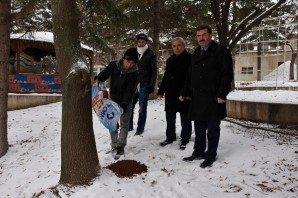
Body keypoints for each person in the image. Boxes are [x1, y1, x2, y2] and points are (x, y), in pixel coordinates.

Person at [179, 25, 233, 168]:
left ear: (210, 35)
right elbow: (190, 75)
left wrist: (222, 93)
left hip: (214, 97)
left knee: (213, 128)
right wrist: (184, 91)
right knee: (199, 127)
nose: (201, 38)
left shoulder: (221, 51)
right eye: (198, 36)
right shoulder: (196, 52)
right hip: (197, 98)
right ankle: (198, 152)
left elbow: (227, 74)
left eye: (204, 35)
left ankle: (210, 155)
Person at [94, 48, 139, 159]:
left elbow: (130, 90)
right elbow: (105, 73)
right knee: (112, 123)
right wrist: (99, 77)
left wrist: (125, 103)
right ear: (124, 59)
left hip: (126, 102)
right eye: (128, 61)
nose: (130, 65)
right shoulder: (114, 65)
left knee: (124, 124)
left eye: (133, 63)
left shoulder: (135, 73)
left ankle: (121, 146)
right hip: (113, 100)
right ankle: (114, 145)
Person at [157, 37, 192, 150]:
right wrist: (161, 90)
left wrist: (187, 92)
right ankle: (170, 137)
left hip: (184, 92)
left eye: (179, 45)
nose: (177, 48)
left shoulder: (190, 58)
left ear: (183, 46)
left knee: (185, 117)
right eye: (174, 46)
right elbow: (166, 76)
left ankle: (185, 138)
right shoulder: (170, 60)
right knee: (170, 117)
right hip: (171, 93)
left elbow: (191, 78)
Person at [129, 33, 157, 135]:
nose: (141, 44)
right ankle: (129, 126)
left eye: (143, 42)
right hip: (133, 84)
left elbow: (154, 71)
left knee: (142, 108)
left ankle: (140, 128)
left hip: (144, 84)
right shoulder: (133, 52)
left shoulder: (150, 54)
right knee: (130, 106)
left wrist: (151, 85)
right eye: (139, 42)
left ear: (146, 42)